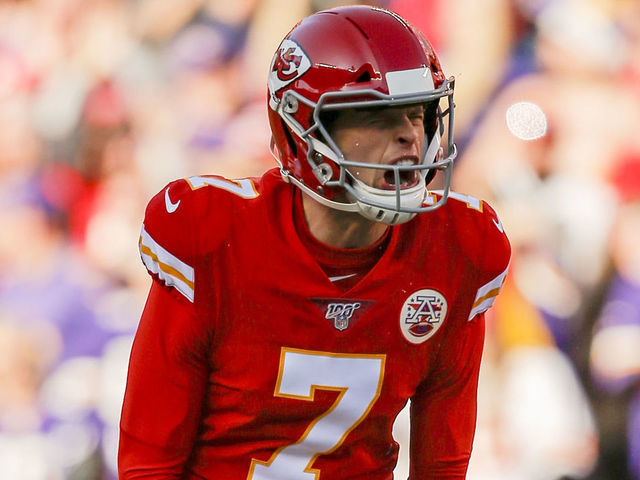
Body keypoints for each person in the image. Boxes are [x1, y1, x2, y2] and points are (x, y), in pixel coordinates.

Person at [118, 5, 511, 479]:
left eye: (418, 113)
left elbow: (442, 468)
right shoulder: (215, 235)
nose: (409, 137)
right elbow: (148, 464)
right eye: (377, 116)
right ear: (301, 132)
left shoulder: (459, 246)